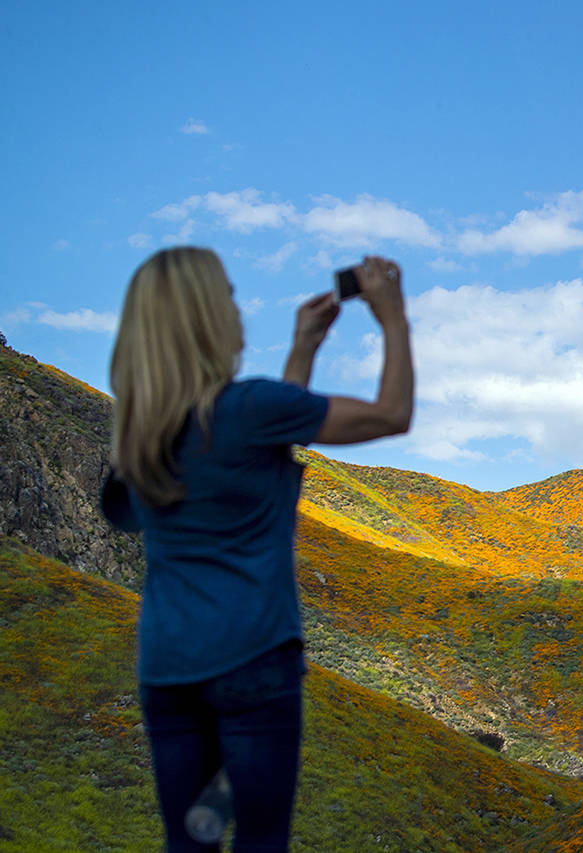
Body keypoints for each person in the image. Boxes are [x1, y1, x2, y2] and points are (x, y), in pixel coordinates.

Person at [101, 246, 413, 851]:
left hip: (168, 669)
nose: (238, 309)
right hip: (253, 659)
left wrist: (303, 352)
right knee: (262, 842)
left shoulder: (143, 434)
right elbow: (392, 414)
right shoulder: (246, 409)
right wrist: (393, 317)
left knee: (187, 845)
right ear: (207, 317)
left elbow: (254, 452)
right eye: (229, 296)